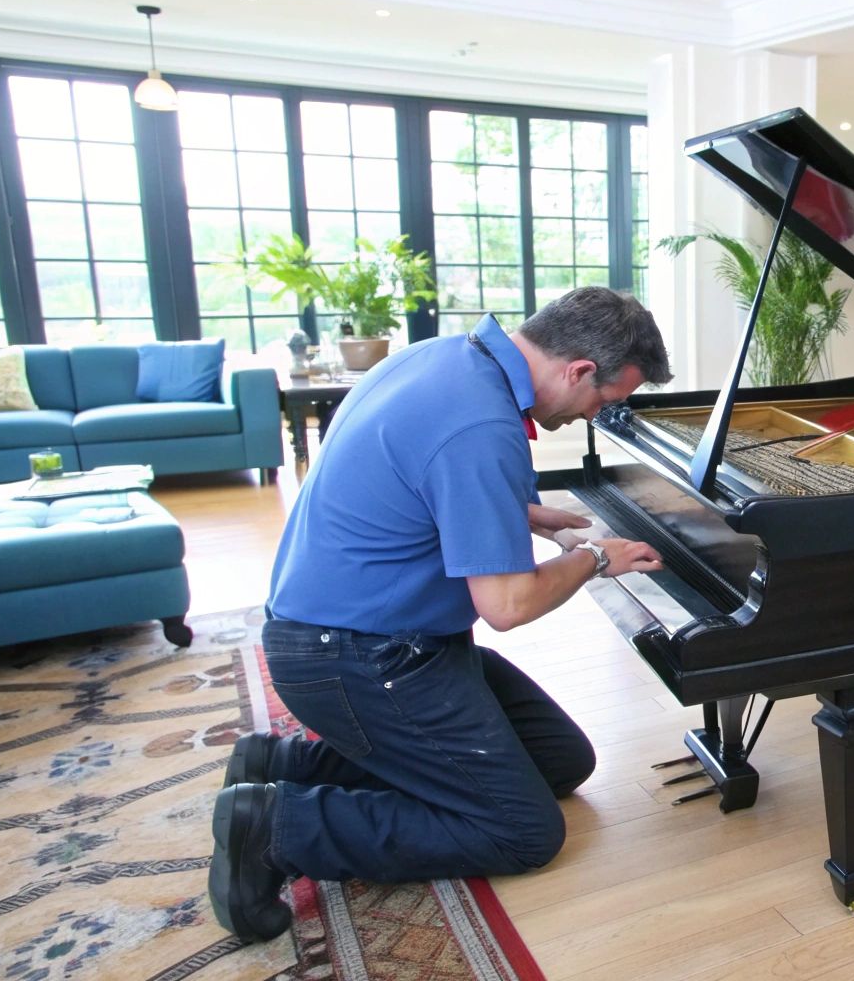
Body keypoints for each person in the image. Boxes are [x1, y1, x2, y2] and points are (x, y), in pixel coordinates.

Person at [209, 287, 672, 941]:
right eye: (604, 400)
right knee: (524, 831)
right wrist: (596, 557)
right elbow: (507, 606)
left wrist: (523, 513)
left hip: (358, 632)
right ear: (577, 370)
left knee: (560, 759)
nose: (597, 415)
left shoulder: (450, 359)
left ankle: (279, 764)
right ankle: (276, 826)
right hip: (358, 657)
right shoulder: (481, 426)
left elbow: (417, 481)